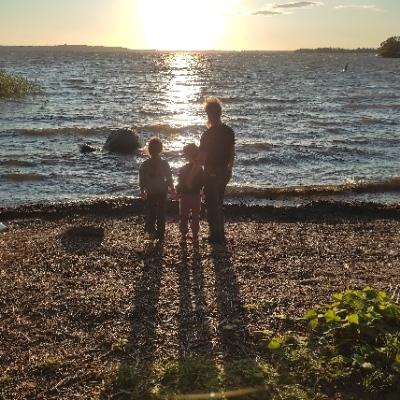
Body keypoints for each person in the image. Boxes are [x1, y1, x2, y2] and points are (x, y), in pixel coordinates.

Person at [189, 97, 235, 244]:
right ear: (220, 113)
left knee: (212, 205)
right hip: (225, 171)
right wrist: (229, 169)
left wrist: (190, 177)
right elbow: (232, 153)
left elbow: (201, 159)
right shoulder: (229, 131)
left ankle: (216, 236)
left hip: (211, 173)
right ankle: (220, 234)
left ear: (208, 114)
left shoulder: (207, 135)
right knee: (219, 203)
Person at [139, 137, 175, 240]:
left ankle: (150, 231)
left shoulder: (144, 164)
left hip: (150, 191)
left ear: (149, 150)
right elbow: (169, 178)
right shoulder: (164, 163)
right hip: (162, 190)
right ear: (160, 149)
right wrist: (172, 189)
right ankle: (160, 233)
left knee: (151, 212)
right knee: (161, 213)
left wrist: (142, 191)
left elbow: (142, 180)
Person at [176, 143, 204, 244]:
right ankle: (195, 235)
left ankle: (183, 235)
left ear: (187, 155)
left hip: (185, 196)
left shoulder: (184, 168)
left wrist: (177, 192)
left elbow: (180, 183)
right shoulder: (199, 169)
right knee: (195, 216)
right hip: (196, 195)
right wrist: (202, 191)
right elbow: (202, 182)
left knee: (184, 216)